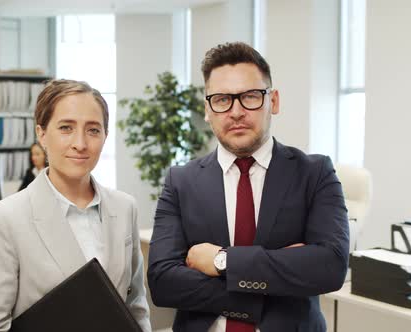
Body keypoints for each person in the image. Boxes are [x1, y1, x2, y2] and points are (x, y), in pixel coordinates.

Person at [147, 42, 349, 332]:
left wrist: (222, 261)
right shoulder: (181, 181)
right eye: (221, 99)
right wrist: (270, 286)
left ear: (274, 101)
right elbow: (163, 282)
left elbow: (330, 267)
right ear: (207, 109)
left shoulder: (314, 173)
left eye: (251, 97)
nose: (236, 111)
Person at [0, 79, 151, 332]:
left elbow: (135, 305)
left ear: (105, 136)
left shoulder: (124, 207)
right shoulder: (5, 218)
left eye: (93, 130)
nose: (80, 143)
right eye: (66, 128)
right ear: (41, 134)